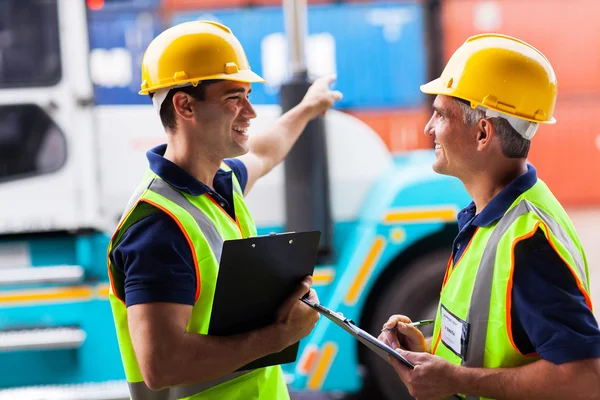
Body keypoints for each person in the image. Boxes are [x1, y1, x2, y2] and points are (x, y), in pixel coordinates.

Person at [107, 20, 342, 399]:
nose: (250, 111)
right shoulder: (158, 227)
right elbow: (162, 365)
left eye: (248, 95)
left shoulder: (222, 181)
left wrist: (307, 108)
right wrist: (278, 337)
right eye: (234, 98)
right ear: (184, 105)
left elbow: (267, 149)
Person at [378, 33, 600, 400]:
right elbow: (495, 336)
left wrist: (455, 381)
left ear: (483, 132)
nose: (428, 128)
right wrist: (432, 350)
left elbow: (586, 377)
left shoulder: (529, 243)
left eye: (439, 114)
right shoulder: (488, 217)